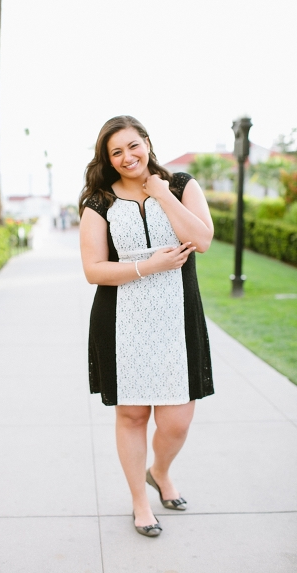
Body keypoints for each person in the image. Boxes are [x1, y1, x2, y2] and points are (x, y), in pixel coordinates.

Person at [78, 115, 214, 537]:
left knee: (177, 422)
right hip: (121, 321)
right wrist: (148, 265)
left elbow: (203, 240)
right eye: (115, 151)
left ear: (147, 143)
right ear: (108, 158)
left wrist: (160, 193)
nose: (126, 157)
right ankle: (140, 501)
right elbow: (93, 270)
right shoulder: (98, 201)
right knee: (133, 416)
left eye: (132, 146)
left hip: (177, 317)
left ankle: (160, 470)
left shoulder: (181, 185)